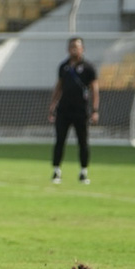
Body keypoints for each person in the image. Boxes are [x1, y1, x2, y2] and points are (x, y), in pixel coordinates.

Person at [48, 36, 98, 184]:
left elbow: (95, 90)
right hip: (64, 111)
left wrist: (95, 110)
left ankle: (83, 172)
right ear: (68, 49)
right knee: (59, 141)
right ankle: (56, 171)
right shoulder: (64, 67)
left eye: (77, 47)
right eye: (71, 47)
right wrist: (52, 105)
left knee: (83, 142)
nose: (74, 49)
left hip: (81, 111)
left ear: (83, 49)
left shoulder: (89, 68)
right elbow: (59, 87)